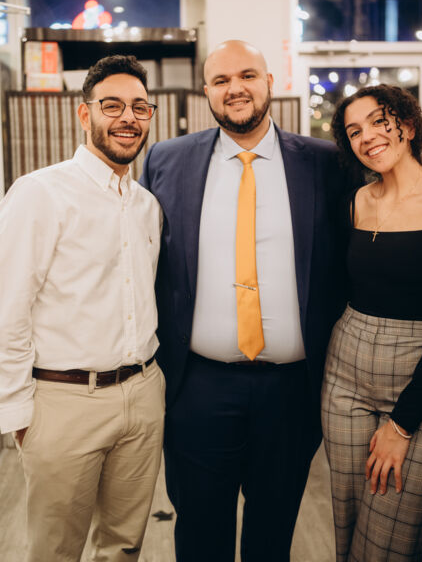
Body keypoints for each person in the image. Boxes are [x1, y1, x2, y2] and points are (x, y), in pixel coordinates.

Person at [141, 39, 352, 562]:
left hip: (292, 391)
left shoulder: (326, 163)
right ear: (206, 92)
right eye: (221, 80)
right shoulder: (167, 159)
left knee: (271, 537)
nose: (235, 88)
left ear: (269, 83)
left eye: (247, 76)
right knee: (199, 535)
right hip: (198, 388)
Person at [0, 55, 165, 562]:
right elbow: (8, 309)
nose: (128, 118)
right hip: (64, 401)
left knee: (123, 546)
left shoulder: (147, 205)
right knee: (55, 550)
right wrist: (18, 414)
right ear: (83, 113)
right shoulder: (40, 193)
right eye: (112, 105)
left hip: (142, 393)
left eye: (140, 107)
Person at [322, 83, 422, 562]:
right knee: (348, 526)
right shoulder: (354, 201)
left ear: (407, 126)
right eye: (354, 131)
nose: (367, 136)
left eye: (378, 121)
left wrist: (402, 424)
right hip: (345, 377)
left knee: (390, 542)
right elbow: (337, 291)